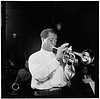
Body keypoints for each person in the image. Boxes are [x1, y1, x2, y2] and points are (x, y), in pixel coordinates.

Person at [28, 28, 75, 97]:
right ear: (43, 39)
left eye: (55, 40)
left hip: (60, 93)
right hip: (42, 94)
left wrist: (69, 63)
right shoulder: (34, 57)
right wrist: (56, 59)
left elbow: (68, 77)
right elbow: (39, 76)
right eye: (51, 40)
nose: (54, 42)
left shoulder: (59, 56)